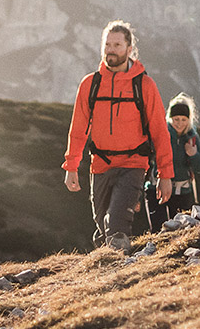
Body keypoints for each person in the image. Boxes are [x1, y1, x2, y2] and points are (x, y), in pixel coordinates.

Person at [62, 20, 175, 249]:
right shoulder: (90, 85)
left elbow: (160, 132)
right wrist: (71, 166)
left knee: (116, 225)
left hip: (133, 165)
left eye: (117, 44)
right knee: (102, 229)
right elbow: (78, 129)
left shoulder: (144, 85)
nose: (111, 49)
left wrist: (165, 174)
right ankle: (104, 275)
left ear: (129, 49)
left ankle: (118, 276)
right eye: (107, 44)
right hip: (100, 166)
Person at [147, 93, 200, 230]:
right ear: (170, 118)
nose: (179, 123)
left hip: (182, 192)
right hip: (157, 189)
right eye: (176, 119)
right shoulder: (161, 134)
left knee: (181, 230)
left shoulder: (192, 137)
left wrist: (193, 155)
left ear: (189, 120)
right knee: (159, 229)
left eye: (183, 119)